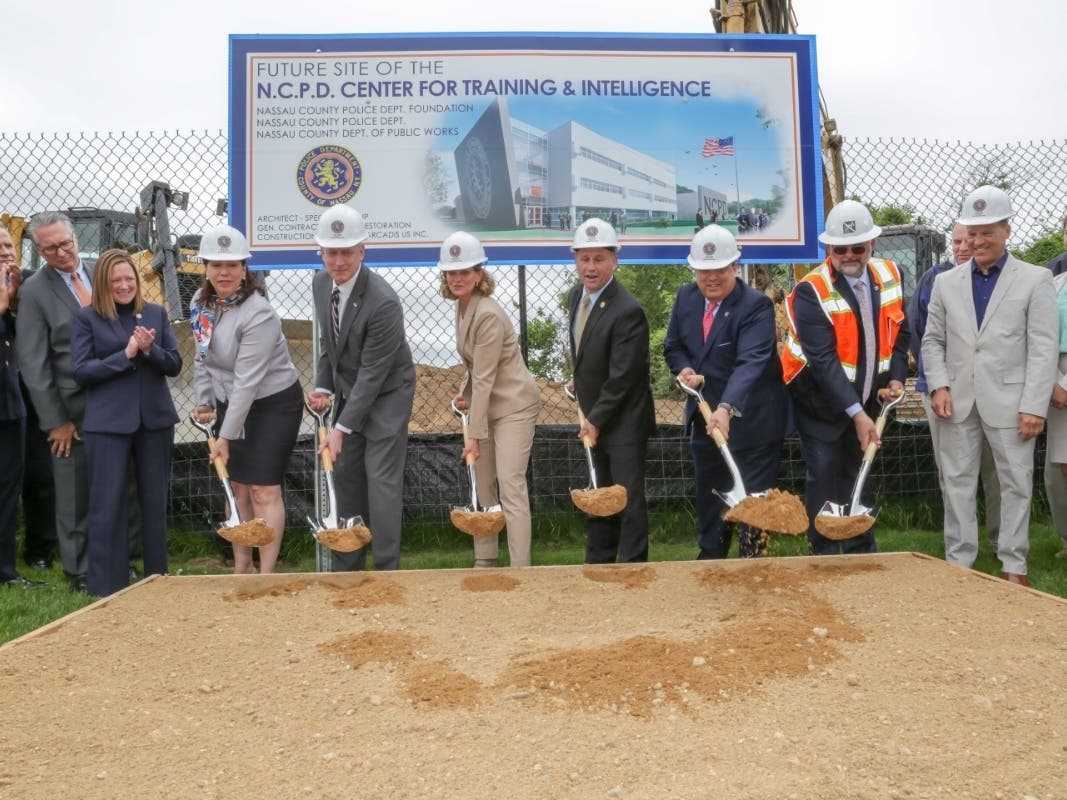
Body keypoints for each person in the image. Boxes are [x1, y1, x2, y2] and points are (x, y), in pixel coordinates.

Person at [923, 186, 1058, 587]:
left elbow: (1043, 347)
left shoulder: (1035, 279)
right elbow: (932, 341)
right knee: (957, 483)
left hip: (1012, 402)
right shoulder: (946, 283)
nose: (978, 241)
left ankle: (1014, 564)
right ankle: (959, 563)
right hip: (956, 401)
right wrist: (939, 385)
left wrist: (1034, 405)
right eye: (972, 232)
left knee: (1015, 483)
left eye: (988, 232)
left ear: (1006, 231)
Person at [781, 199, 909, 555]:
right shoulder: (811, 290)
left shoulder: (891, 274)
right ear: (828, 249)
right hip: (818, 401)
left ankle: (859, 552)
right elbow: (822, 361)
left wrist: (896, 378)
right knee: (824, 473)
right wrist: (857, 415)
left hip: (868, 397)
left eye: (857, 247)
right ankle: (822, 554)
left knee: (859, 473)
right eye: (840, 249)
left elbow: (902, 332)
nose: (849, 255)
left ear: (872, 244)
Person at [664, 225, 788, 559]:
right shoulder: (686, 298)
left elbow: (751, 362)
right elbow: (673, 346)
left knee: (753, 511)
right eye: (703, 270)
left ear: (735, 266)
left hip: (753, 424)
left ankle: (753, 568)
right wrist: (684, 370)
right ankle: (711, 564)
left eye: (720, 269)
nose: (711, 277)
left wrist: (726, 407)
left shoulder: (756, 306)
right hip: (706, 421)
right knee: (712, 506)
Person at [307, 205, 415, 572]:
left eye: (346, 252)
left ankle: (386, 570)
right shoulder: (320, 284)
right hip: (351, 392)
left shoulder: (383, 302)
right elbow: (330, 344)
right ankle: (347, 568)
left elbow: (373, 374)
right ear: (321, 252)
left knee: (380, 481)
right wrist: (323, 387)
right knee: (346, 477)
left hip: (387, 395)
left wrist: (339, 429)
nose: (338, 261)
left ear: (362, 251)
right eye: (331, 252)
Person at [191, 224, 302, 575]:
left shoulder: (259, 313)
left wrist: (225, 437)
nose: (223, 272)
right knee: (236, 486)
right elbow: (202, 357)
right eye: (216, 264)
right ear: (206, 267)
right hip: (231, 400)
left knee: (262, 490)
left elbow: (248, 381)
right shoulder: (200, 304)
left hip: (272, 405)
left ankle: (266, 573)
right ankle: (243, 568)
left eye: (232, 265)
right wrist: (204, 401)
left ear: (244, 269)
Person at [71, 249, 181, 596]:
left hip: (154, 421)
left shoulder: (155, 313)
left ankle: (156, 580)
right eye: (116, 280)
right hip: (107, 424)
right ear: (103, 283)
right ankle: (106, 586)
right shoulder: (87, 318)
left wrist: (149, 350)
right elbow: (82, 371)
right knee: (107, 504)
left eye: (129, 279)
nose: (123, 286)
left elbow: (174, 364)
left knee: (154, 503)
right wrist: (126, 354)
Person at [438, 232, 541, 567]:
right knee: (483, 483)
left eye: (464, 271)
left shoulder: (488, 314)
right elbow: (476, 367)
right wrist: (464, 395)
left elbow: (485, 377)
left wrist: (474, 436)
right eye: (451, 272)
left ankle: (521, 568)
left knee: (510, 483)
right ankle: (485, 560)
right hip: (487, 403)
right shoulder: (463, 307)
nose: (457, 278)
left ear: (479, 274)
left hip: (514, 405)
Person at [15, 212, 99, 591]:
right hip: (70, 411)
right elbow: (33, 362)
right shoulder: (34, 291)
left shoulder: (101, 273)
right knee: (72, 494)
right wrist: (56, 421)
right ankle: (79, 570)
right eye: (50, 249)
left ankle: (120, 557)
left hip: (113, 404)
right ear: (39, 250)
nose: (62, 253)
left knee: (117, 486)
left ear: (75, 237)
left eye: (65, 243)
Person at [567, 217, 655, 563]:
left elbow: (624, 377)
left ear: (615, 261)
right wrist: (580, 380)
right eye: (584, 259)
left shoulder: (627, 310)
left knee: (626, 498)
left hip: (623, 421)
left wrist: (596, 420)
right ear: (576, 260)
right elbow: (587, 352)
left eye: (599, 259)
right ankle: (599, 563)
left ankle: (633, 567)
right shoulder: (577, 296)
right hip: (596, 414)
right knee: (598, 493)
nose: (591, 267)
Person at [909, 223, 1001, 548]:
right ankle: (960, 546)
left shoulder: (1003, 278)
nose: (963, 247)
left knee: (997, 471)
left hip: (994, 391)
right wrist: (938, 382)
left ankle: (1000, 541)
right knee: (952, 472)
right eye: (957, 241)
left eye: (969, 240)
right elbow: (920, 331)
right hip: (942, 391)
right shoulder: (934, 279)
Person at [0, 228, 46, 588]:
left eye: (8, 245)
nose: (6, 252)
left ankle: (6, 569)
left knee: (8, 491)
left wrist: (14, 302)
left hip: (11, 407)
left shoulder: (20, 290)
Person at [1044, 266, 1067, 559]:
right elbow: (1040, 335)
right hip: (1053, 371)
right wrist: (1050, 380)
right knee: (1058, 470)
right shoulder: (1054, 283)